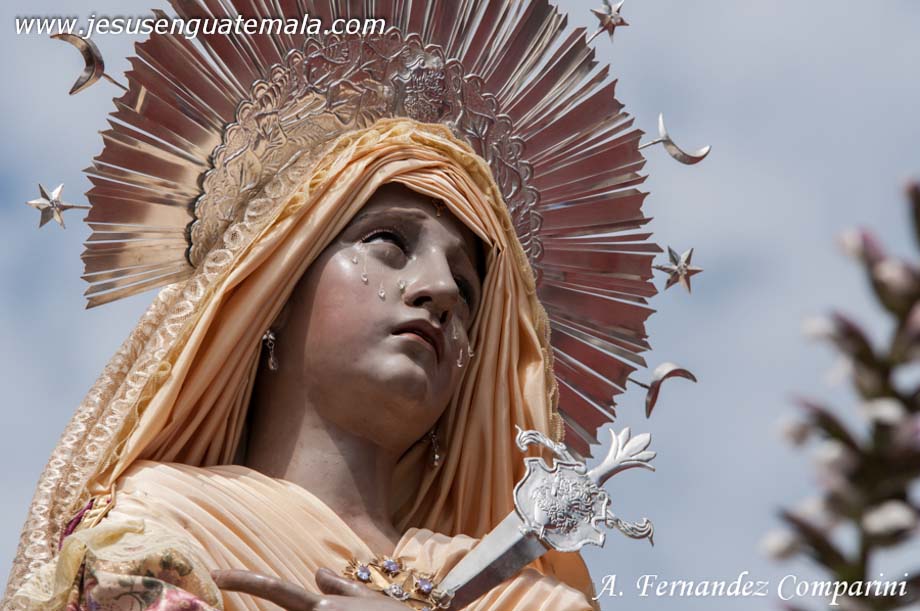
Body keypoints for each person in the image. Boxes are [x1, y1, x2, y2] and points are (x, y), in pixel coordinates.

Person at [6, 0, 668, 608]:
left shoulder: (526, 599)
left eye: (467, 290)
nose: (440, 289)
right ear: (273, 291)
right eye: (388, 242)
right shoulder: (159, 524)